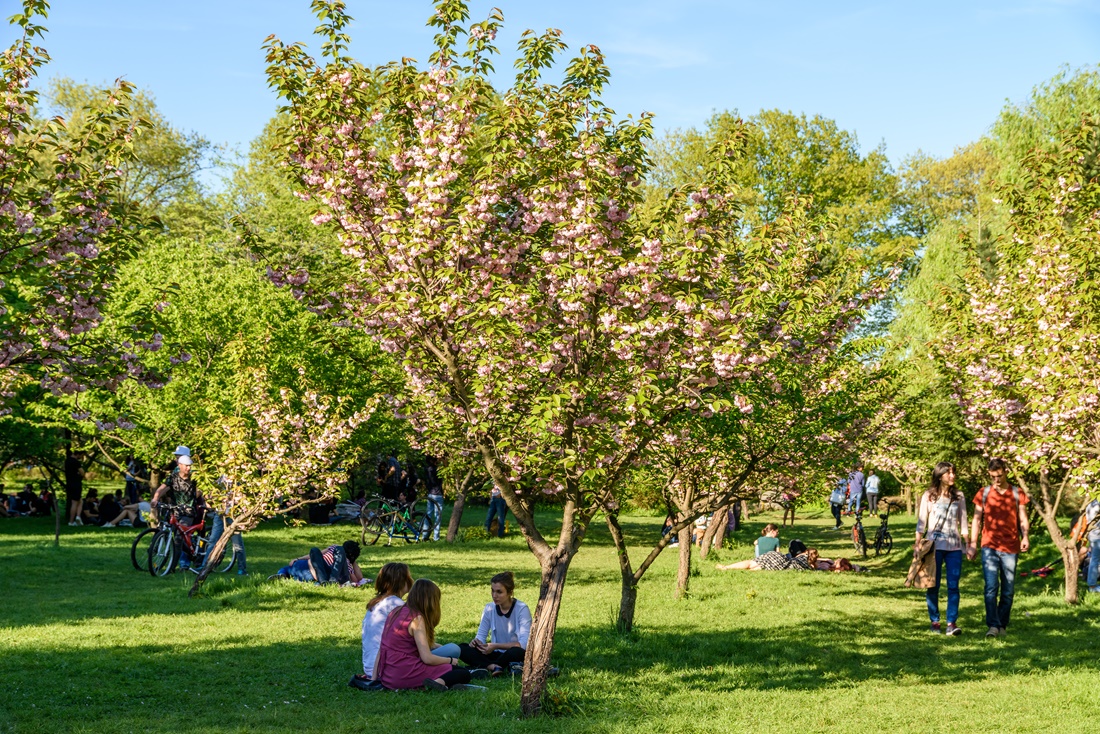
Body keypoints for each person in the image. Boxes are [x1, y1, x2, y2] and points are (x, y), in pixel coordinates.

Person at [375, 578, 479, 691]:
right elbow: (427, 659)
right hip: (406, 673)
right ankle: (436, 683)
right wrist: (450, 661)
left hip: (388, 677)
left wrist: (374, 678)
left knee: (453, 663)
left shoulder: (395, 612)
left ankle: (443, 683)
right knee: (463, 673)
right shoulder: (417, 619)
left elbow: (381, 649)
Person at [968, 458, 1030, 638]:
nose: (996, 479)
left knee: (1008, 589)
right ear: (989, 474)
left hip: (1011, 546)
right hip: (989, 545)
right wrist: (972, 544)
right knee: (991, 587)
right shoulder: (984, 493)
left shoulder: (1017, 493)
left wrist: (1025, 536)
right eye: (993, 476)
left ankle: (1002, 623)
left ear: (1006, 472)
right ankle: (993, 625)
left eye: (1000, 475)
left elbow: (1023, 518)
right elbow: (977, 519)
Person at [915, 462, 969, 636]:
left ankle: (951, 623)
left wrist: (968, 545)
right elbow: (921, 522)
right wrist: (918, 544)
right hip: (934, 547)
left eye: (953, 472)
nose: (952, 476)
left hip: (954, 547)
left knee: (953, 585)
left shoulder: (958, 496)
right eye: (948, 473)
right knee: (933, 585)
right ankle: (935, 621)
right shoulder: (929, 496)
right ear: (940, 476)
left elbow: (964, 523)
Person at [458, 571, 532, 676]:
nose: (494, 595)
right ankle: (494, 667)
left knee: (517, 652)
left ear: (510, 592)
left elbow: (524, 645)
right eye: (492, 591)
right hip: (494, 653)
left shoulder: (521, 609)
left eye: (499, 592)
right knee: (462, 648)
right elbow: (481, 637)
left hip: (511, 653)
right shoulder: (489, 608)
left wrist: (495, 645)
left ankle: (483, 666)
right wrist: (476, 643)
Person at [151, 454, 205, 567]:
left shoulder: (194, 478)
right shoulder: (173, 477)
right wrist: (155, 499)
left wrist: (197, 494)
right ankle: (189, 554)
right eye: (186, 466)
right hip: (175, 511)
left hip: (188, 512)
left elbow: (199, 492)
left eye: (190, 466)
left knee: (179, 539)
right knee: (173, 536)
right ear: (179, 465)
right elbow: (162, 488)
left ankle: (172, 567)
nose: (188, 468)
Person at [272, 541, 366, 585]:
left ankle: (282, 574)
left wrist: (298, 558)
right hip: (313, 574)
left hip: (304, 567)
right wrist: (354, 562)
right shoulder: (347, 563)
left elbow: (316, 554)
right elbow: (357, 579)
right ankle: (317, 582)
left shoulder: (334, 547)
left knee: (286, 569)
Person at [717, 547, 818, 571]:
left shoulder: (801, 557)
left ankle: (727, 567)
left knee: (752, 563)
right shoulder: (809, 565)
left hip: (779, 557)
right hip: (782, 565)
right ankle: (728, 568)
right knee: (757, 567)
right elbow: (815, 567)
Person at [424, 457, 444, 542]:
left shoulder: (427, 469)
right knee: (438, 516)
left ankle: (424, 536)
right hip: (438, 494)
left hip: (430, 493)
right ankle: (436, 537)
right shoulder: (437, 470)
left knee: (428, 514)